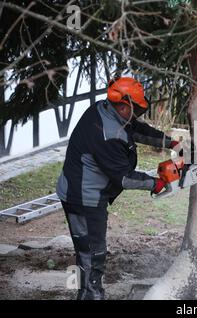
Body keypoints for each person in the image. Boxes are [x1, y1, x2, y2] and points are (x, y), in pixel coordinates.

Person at [56, 76, 179, 300]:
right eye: (135, 110)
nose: (136, 115)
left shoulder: (104, 109)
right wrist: (156, 183)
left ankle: (87, 293)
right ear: (124, 105)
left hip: (83, 189)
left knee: (87, 250)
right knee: (93, 252)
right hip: (83, 197)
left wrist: (168, 141)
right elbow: (123, 177)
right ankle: (91, 296)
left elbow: (135, 129)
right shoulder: (107, 134)